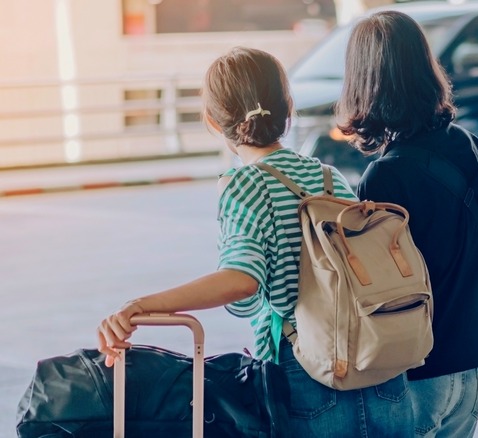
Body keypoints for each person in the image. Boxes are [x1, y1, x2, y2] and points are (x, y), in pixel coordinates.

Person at [96, 46, 413, 437]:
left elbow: (241, 279)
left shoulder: (245, 185)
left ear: (213, 122)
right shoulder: (330, 177)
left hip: (309, 372)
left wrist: (142, 305)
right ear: (289, 108)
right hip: (380, 367)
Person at [335, 11, 478, 438]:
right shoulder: (467, 144)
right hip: (475, 356)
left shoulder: (385, 176)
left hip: (421, 368)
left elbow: (374, 286)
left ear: (364, 81)